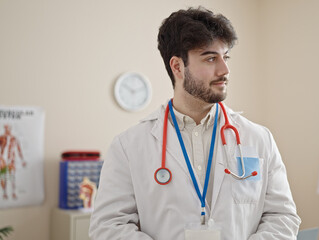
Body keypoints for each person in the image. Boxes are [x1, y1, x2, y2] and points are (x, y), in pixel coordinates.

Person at [90, 6, 301, 239]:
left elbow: (282, 217)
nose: (225, 70)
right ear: (178, 66)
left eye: (226, 57)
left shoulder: (259, 138)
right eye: (211, 58)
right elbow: (108, 226)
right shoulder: (128, 146)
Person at [0, 124, 26, 200]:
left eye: (7, 128)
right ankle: (4, 193)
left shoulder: (14, 139)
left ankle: (13, 193)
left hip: (11, 160)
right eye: (5, 128)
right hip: (3, 160)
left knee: (12, 177)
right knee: (4, 176)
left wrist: (22, 160)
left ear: (10, 129)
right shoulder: (1, 138)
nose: (6, 130)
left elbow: (19, 149)